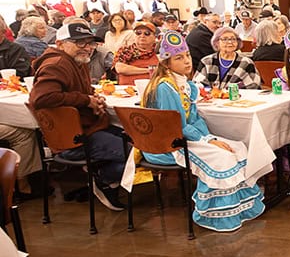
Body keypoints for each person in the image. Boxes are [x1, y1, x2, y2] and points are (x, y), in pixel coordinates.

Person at [141, 31, 266, 232]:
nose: (187, 62)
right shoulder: (165, 88)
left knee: (238, 147)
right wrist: (207, 141)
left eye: (188, 56)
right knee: (221, 157)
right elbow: (175, 126)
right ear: (165, 63)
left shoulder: (185, 84)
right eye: (179, 58)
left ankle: (241, 208)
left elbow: (195, 118)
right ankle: (215, 215)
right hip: (168, 145)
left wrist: (209, 137)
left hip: (184, 138)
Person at [30, 22, 127, 210]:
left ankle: (99, 174)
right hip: (73, 140)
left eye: (90, 43)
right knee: (137, 154)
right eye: (79, 43)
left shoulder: (78, 60)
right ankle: (104, 180)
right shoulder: (57, 64)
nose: (87, 48)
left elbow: (79, 90)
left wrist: (92, 96)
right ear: (59, 44)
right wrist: (85, 100)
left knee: (135, 138)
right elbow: (41, 97)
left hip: (87, 128)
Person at [193, 26, 261, 91]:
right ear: (217, 43)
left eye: (233, 39)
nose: (230, 42)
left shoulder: (246, 62)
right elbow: (198, 84)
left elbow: (253, 85)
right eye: (225, 39)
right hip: (211, 100)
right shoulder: (207, 61)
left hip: (237, 99)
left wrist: (228, 92)